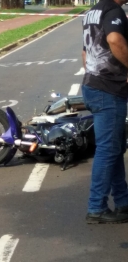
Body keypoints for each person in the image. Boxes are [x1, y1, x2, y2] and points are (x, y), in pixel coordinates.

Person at [81, 0, 128, 224]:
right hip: (109, 90)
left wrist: (94, 73)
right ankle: (96, 207)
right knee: (108, 150)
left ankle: (123, 202)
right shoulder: (114, 11)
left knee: (115, 148)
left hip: (93, 85)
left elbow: (85, 53)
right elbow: (114, 39)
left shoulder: (92, 12)